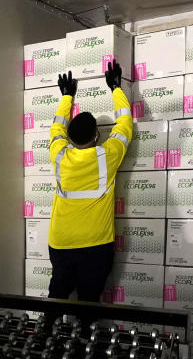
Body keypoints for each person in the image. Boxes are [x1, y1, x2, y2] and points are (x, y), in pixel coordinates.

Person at [47, 61, 133, 300]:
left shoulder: (59, 154)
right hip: (96, 246)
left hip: (61, 244)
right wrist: (115, 87)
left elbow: (56, 128)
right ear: (97, 135)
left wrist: (66, 97)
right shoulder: (108, 155)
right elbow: (125, 124)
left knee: (56, 297)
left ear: (70, 138)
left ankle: (46, 334)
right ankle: (84, 334)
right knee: (88, 303)